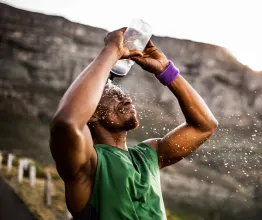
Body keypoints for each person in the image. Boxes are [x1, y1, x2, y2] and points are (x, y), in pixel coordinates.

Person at [50, 27, 218, 219]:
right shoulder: (87, 163)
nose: (127, 100)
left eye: (124, 95)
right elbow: (66, 123)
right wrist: (112, 50)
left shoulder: (149, 155)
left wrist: (166, 71)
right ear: (92, 114)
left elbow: (204, 126)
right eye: (114, 96)